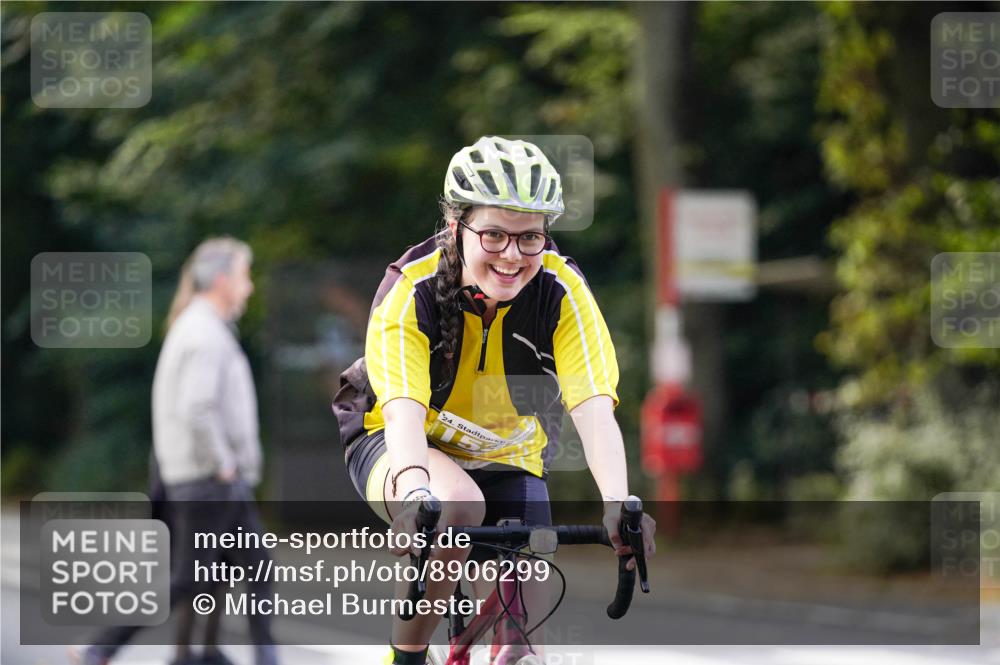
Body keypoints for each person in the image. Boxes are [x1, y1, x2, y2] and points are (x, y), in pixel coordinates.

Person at [332, 136, 656, 665]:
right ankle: (406, 655)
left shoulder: (561, 291)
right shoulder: (409, 291)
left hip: (506, 451)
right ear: (457, 227)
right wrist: (414, 493)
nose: (513, 255)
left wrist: (619, 502)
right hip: (399, 445)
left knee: (523, 651)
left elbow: (593, 408)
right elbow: (403, 414)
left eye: (530, 237)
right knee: (456, 505)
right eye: (494, 234)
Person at [72, 238, 279, 665]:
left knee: (240, 570)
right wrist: (224, 464)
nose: (249, 288)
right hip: (208, 480)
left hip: (205, 480)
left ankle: (196, 655)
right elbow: (197, 407)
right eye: (243, 277)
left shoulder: (202, 327)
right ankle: (100, 648)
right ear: (221, 281)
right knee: (192, 578)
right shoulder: (204, 333)